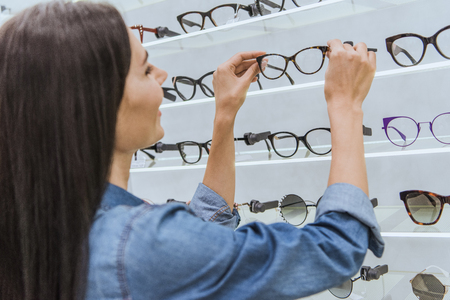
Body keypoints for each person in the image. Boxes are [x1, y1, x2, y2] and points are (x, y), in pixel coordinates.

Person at [0, 2, 384, 300]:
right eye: (147, 70)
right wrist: (346, 105)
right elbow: (334, 250)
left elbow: (200, 233)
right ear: (99, 101)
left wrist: (225, 116)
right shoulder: (136, 241)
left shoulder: (55, 221)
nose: (163, 76)